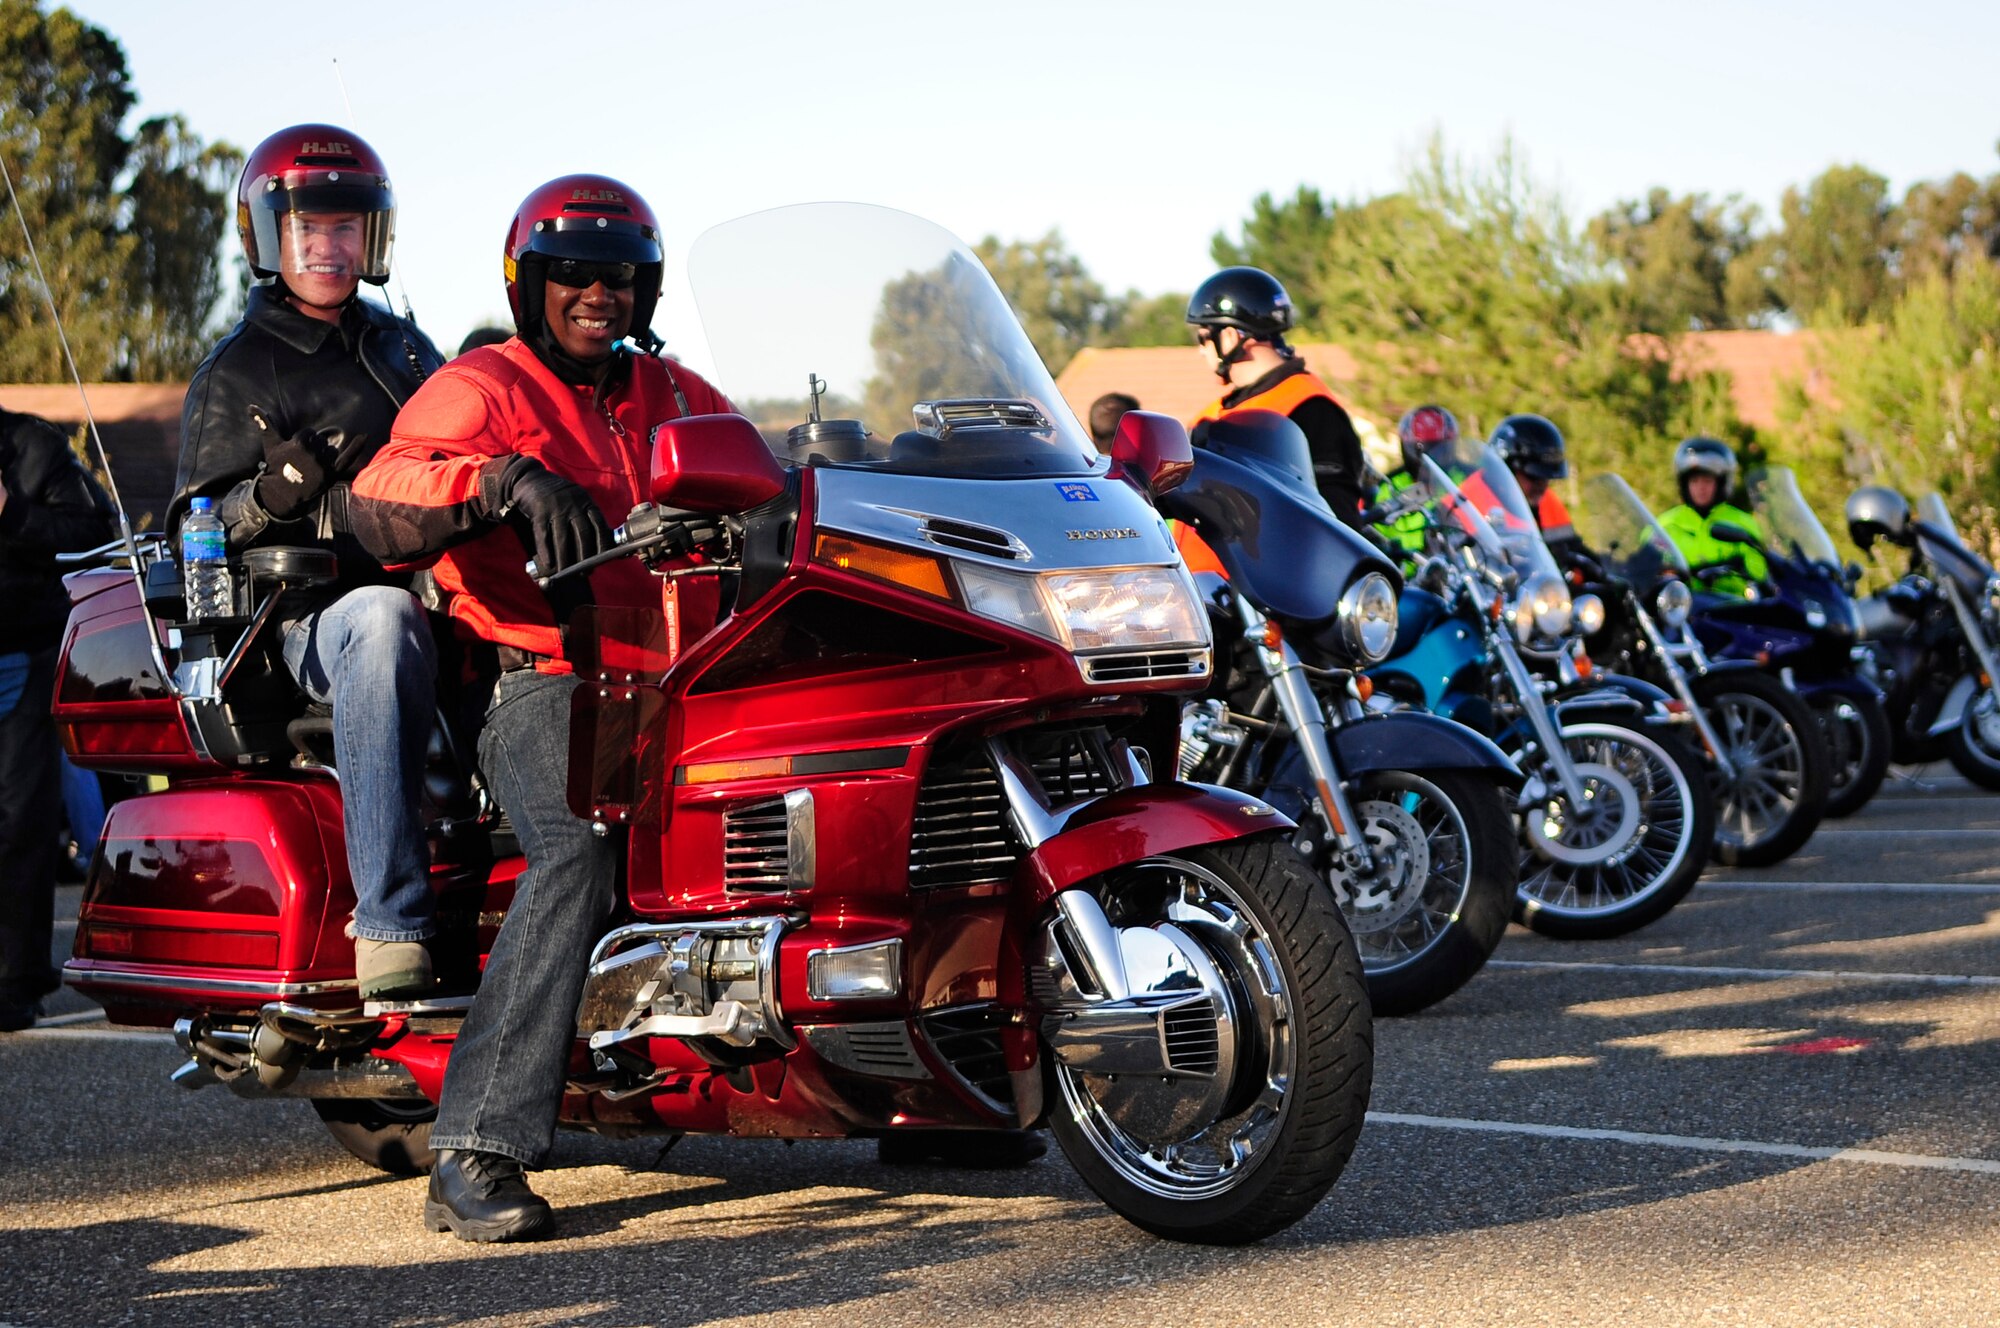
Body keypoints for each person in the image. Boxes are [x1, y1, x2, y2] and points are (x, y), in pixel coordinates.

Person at [349, 174, 738, 1242]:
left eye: (615, 275)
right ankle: (474, 1143)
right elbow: (381, 495)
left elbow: (765, 471)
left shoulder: (671, 391)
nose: (595, 292)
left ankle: (937, 1082)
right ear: (531, 284)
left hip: (686, 675)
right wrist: (503, 482)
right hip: (547, 681)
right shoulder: (483, 386)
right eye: (571, 273)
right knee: (578, 842)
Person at [168, 124, 445, 1001]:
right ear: (267, 235)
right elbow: (195, 530)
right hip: (302, 623)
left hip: (435, 584)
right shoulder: (235, 370)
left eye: (344, 227)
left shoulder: (403, 348)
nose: (329, 246)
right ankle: (391, 922)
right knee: (380, 618)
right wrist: (272, 501)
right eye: (308, 229)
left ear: (373, 236)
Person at [0, 406, 117, 1031]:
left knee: (20, 821)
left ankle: (15, 981)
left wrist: (11, 512)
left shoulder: (33, 445)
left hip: (20, 652)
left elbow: (96, 530)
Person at [1185, 267, 1368, 528]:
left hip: (1258, 569)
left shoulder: (1310, 408)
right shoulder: (1215, 412)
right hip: (1198, 568)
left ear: (1228, 337)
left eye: (1203, 338)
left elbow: (1335, 518)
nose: (1200, 352)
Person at [1459, 413, 1583, 557]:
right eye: (1534, 477)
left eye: (1546, 478)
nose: (1542, 485)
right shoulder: (1462, 505)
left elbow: (1575, 547)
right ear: (1505, 470)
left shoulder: (1547, 502)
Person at [1660, 436, 1767, 597]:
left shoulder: (1744, 523)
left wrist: (1735, 569)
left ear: (1721, 483)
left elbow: (1760, 573)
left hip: (1732, 608)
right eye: (1694, 481)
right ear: (1684, 484)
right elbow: (1646, 568)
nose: (1701, 488)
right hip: (1681, 610)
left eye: (1707, 481)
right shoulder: (1664, 525)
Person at [1372, 404, 1462, 558]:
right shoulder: (1390, 486)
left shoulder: (1463, 480)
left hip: (1466, 570)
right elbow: (1373, 537)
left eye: (1439, 448)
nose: (1431, 456)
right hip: (1409, 576)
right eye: (1423, 448)